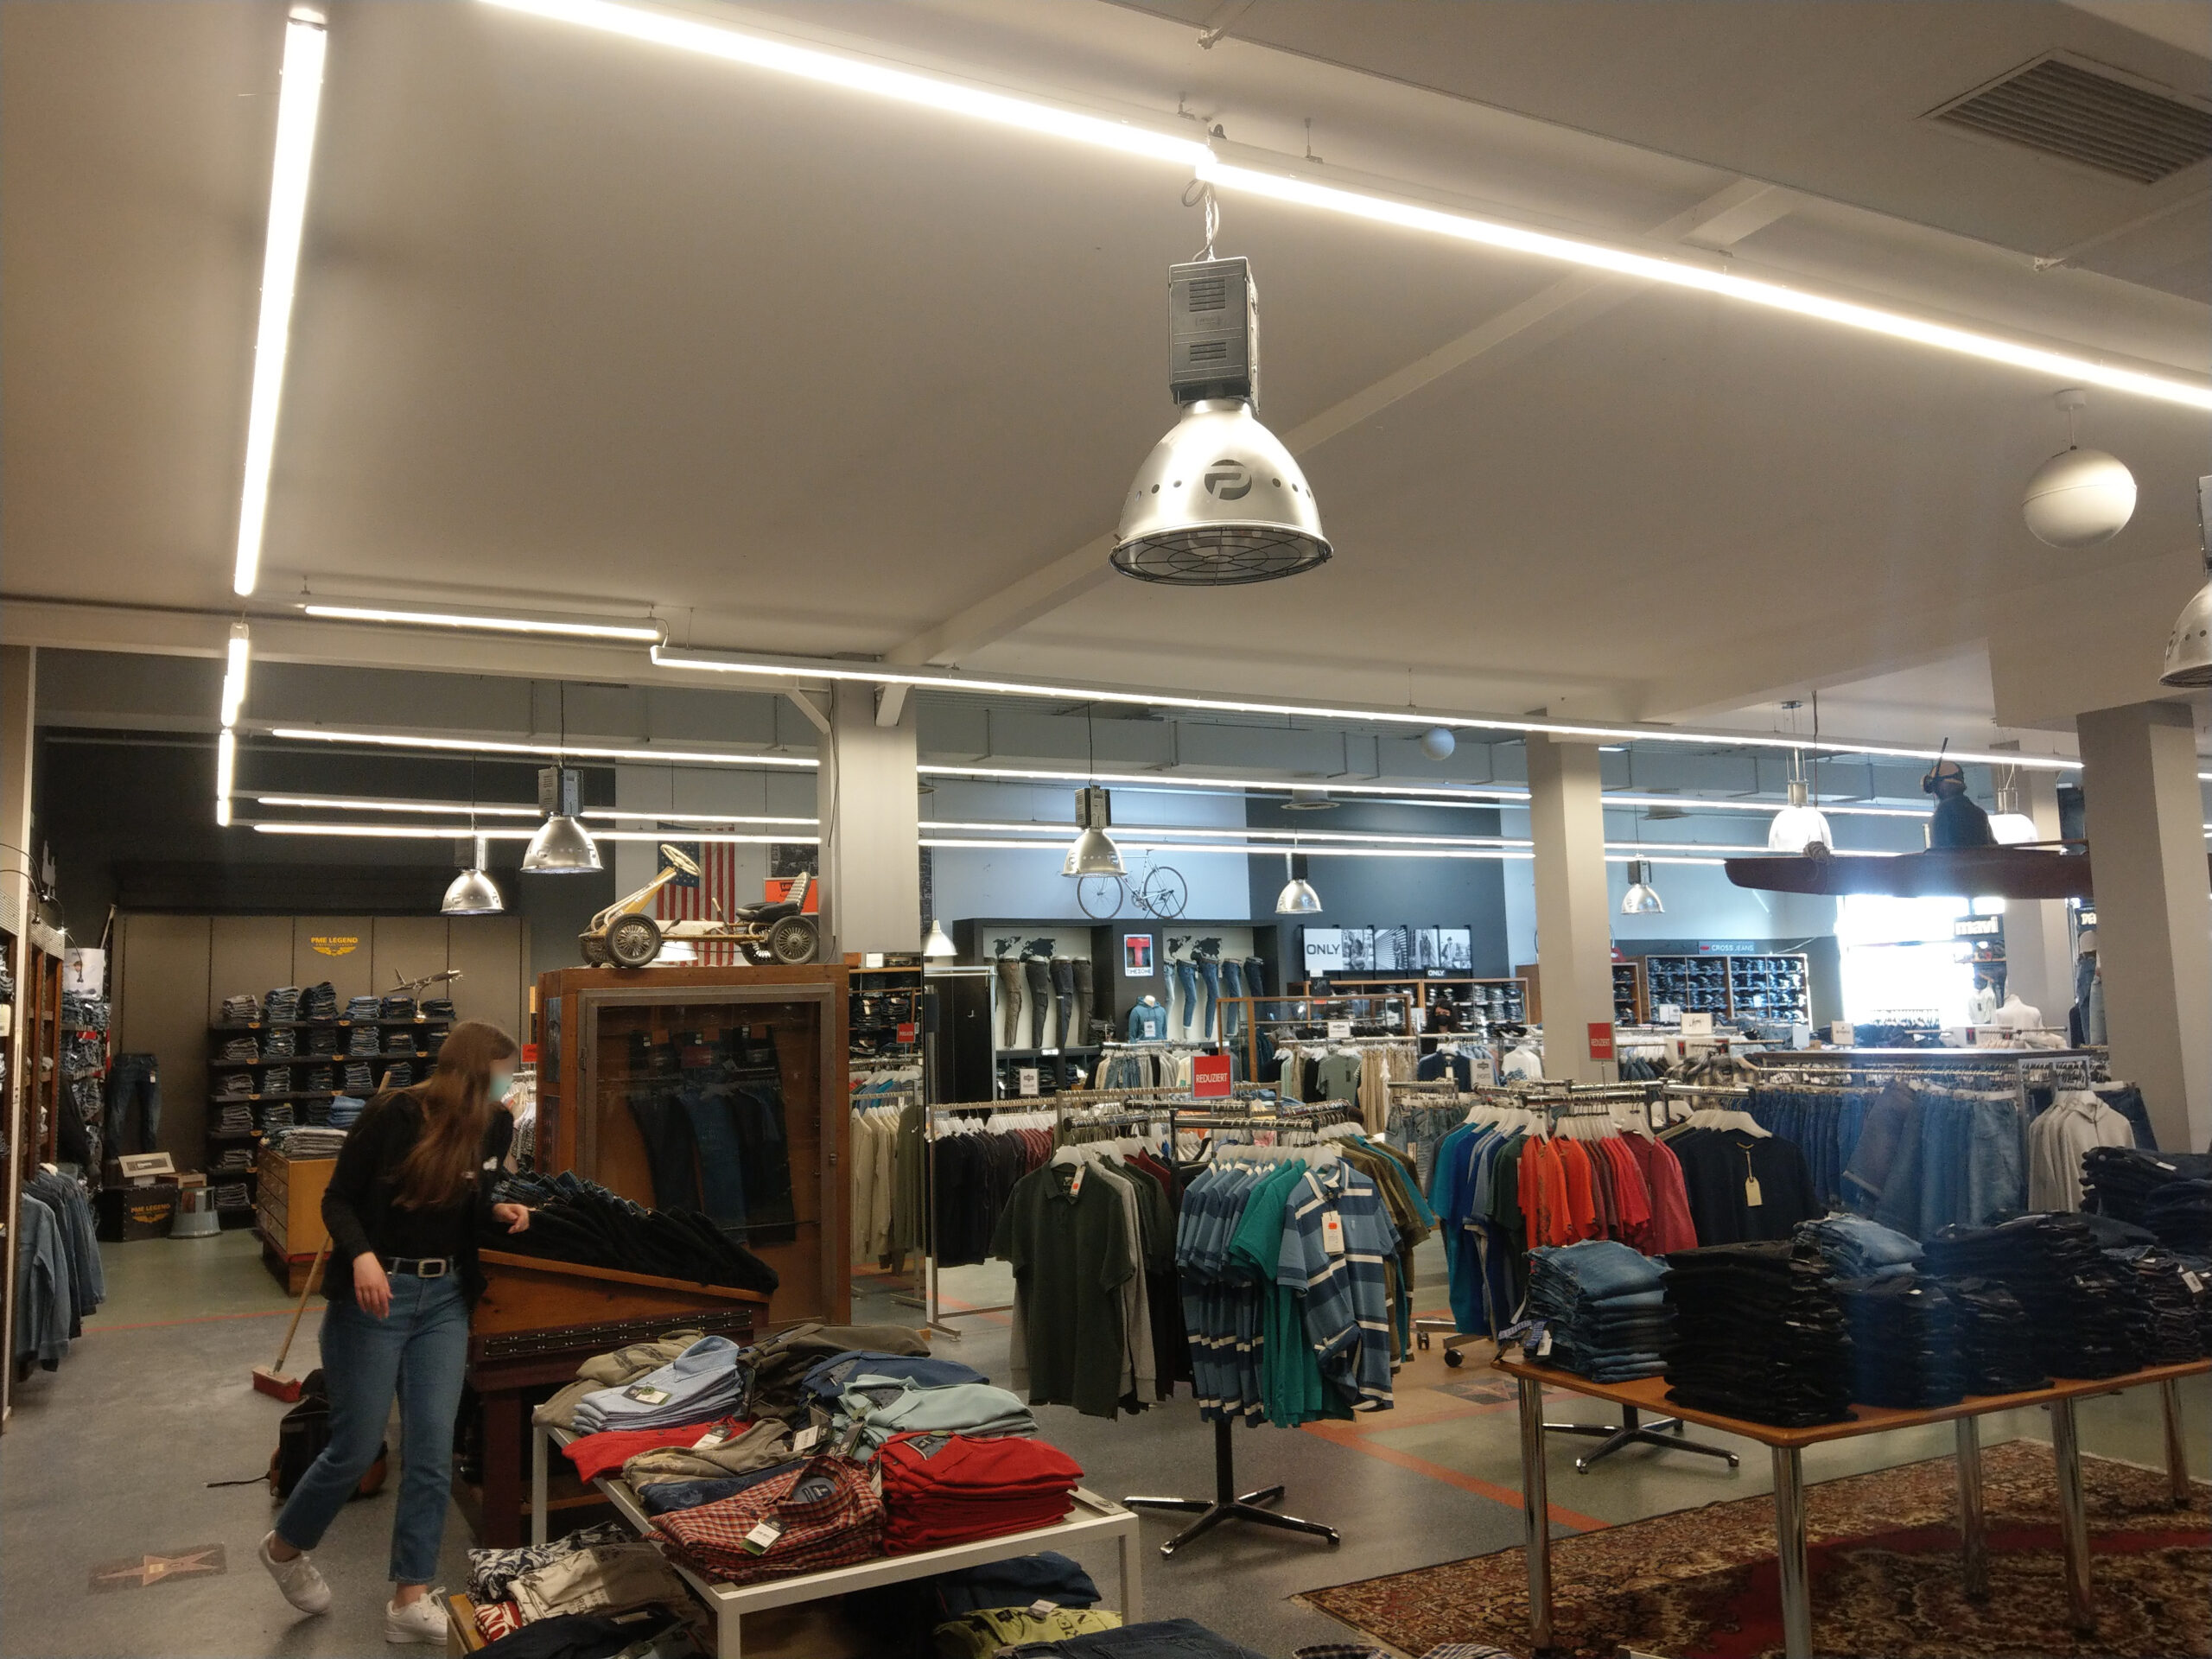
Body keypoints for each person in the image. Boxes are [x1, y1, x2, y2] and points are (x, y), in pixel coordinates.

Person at [258, 1020, 532, 1643]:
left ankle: (409, 1597)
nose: (506, 1086)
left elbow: (467, 1198)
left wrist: (496, 1208)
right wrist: (360, 1256)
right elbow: (337, 1199)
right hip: (376, 1298)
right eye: (501, 1073)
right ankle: (284, 1548)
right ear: (472, 1071)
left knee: (432, 1452)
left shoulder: (495, 1126)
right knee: (355, 1448)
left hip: (445, 1300)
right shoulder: (394, 1115)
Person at [1923, 757, 1995, 849]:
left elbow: (1938, 854)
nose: (1934, 790)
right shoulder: (1979, 814)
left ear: (1944, 785)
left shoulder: (1941, 816)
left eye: (1935, 785)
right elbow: (1993, 849)